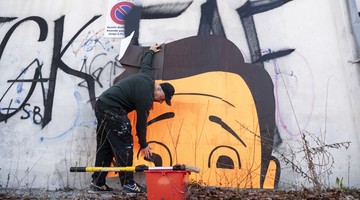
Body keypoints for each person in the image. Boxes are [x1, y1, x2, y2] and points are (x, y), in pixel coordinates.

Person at [89, 43, 175, 194]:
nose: (161, 102)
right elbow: (141, 124)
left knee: (106, 146)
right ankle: (128, 183)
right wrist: (144, 144)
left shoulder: (148, 77)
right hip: (112, 109)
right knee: (125, 143)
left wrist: (150, 51)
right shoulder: (146, 97)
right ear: (159, 89)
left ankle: (98, 182)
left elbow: (145, 64)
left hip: (102, 104)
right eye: (163, 98)